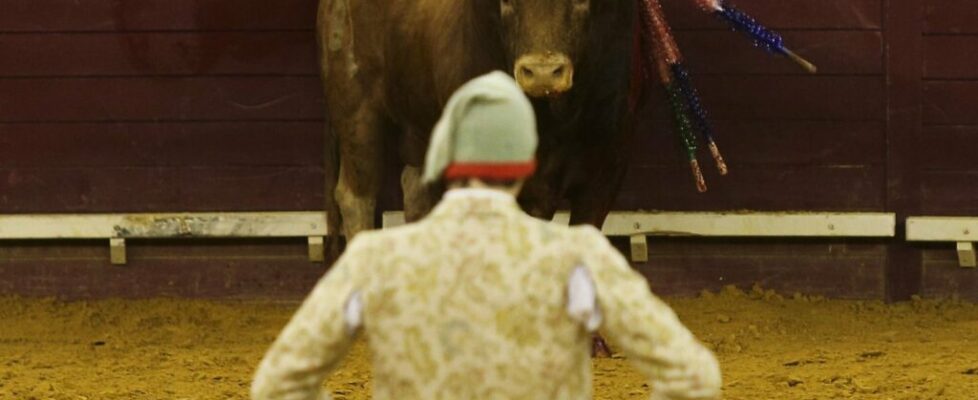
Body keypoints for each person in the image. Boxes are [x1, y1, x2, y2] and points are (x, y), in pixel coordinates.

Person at [251, 71, 722, 400]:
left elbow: (278, 384)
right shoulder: (576, 257)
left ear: (444, 161)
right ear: (526, 164)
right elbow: (693, 376)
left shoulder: (376, 258)